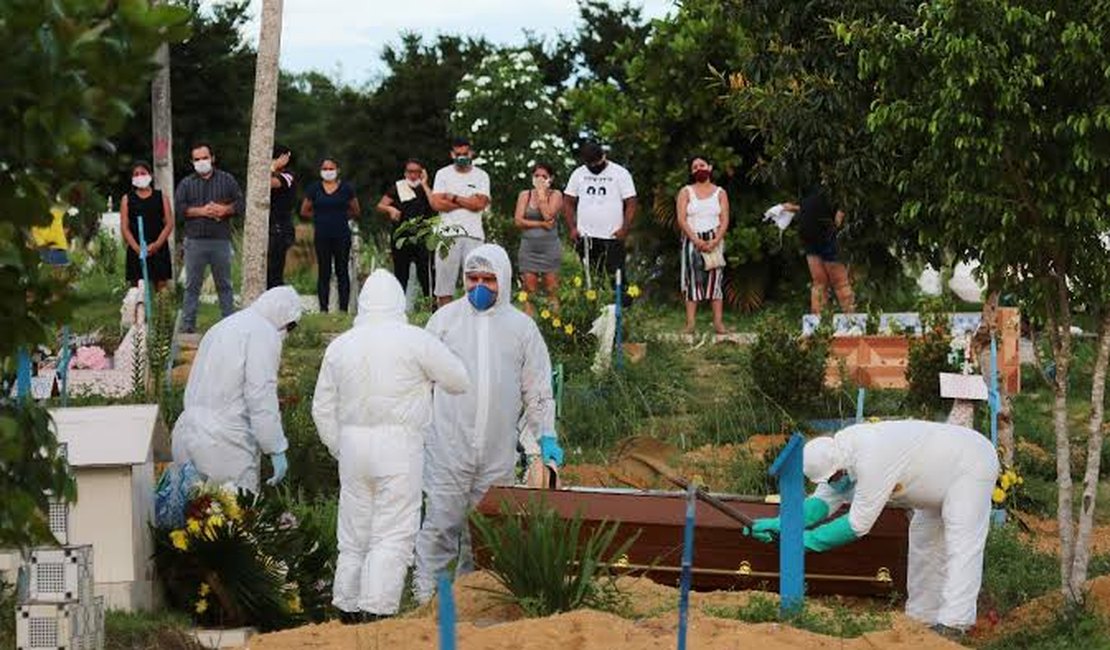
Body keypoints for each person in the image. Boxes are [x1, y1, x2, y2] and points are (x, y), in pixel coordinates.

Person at [312, 269, 470, 624]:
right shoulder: (414, 340)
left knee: (353, 531)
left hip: (353, 447)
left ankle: (347, 605)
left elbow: (321, 407)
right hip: (400, 446)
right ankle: (377, 609)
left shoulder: (340, 345)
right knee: (393, 531)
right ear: (399, 301)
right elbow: (459, 380)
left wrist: (340, 446)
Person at [745, 420, 999, 637]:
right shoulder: (836, 459)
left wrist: (806, 541)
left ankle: (956, 622)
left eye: (835, 477)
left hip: (969, 462)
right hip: (932, 482)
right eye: (829, 480)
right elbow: (821, 503)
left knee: (961, 541)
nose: (835, 483)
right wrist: (781, 524)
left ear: (841, 465)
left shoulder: (872, 456)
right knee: (923, 541)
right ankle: (923, 618)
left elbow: (858, 524)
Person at [413, 244, 563, 603]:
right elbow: (420, 382)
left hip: (497, 452)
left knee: (487, 532)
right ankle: (423, 600)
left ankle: (475, 599)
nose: (480, 286)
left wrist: (546, 436)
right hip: (447, 446)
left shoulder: (521, 329)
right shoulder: (444, 322)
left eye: (489, 279)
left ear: (505, 280)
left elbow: (537, 390)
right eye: (473, 278)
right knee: (439, 526)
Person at [171, 286, 304, 493]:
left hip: (187, 433)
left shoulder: (224, 325)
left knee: (193, 516)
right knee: (233, 517)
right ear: (283, 318)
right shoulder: (264, 333)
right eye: (290, 326)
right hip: (225, 444)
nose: (287, 333)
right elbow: (260, 395)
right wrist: (275, 446)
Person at [175, 142, 245, 333]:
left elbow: (240, 204)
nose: (201, 162)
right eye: (197, 159)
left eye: (204, 158)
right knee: (192, 285)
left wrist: (225, 209)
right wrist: (201, 211)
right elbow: (179, 209)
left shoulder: (227, 180)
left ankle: (229, 323)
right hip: (194, 241)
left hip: (220, 240)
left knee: (224, 284)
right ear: (192, 162)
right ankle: (188, 324)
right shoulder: (186, 183)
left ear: (212, 158)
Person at [563, 141, 637, 289]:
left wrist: (624, 229)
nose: (594, 168)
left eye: (597, 163)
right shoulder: (578, 174)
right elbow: (568, 201)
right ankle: (593, 309)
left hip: (612, 236)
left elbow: (631, 203)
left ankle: (621, 309)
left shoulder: (620, 173)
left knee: (617, 278)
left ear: (604, 156)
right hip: (586, 237)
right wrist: (572, 227)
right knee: (591, 279)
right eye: (591, 165)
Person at [429, 138, 491, 307]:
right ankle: (445, 324)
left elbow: (479, 204)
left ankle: (473, 322)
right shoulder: (442, 174)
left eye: (465, 154)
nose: (462, 157)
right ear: (452, 154)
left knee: (476, 283)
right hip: (447, 235)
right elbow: (436, 203)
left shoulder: (481, 175)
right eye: (458, 154)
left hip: (474, 235)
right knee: (444, 287)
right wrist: (467, 201)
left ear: (471, 153)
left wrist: (452, 197)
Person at [675, 155, 729, 335]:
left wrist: (716, 240)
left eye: (702, 165)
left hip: (715, 238)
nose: (699, 168)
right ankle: (690, 324)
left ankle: (718, 324)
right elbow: (681, 219)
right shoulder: (686, 191)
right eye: (695, 166)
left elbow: (725, 219)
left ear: (710, 167)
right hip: (692, 239)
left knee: (715, 281)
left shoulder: (720, 192)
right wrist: (696, 240)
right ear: (691, 172)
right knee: (692, 281)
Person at [300, 157, 360, 312]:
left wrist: (341, 216)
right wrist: (319, 216)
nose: (328, 172)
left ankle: (343, 309)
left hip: (341, 234)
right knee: (324, 271)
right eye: (325, 169)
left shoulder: (346, 188)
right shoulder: (314, 188)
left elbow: (356, 209)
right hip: (322, 234)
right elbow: (304, 210)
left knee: (342, 271)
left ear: (337, 170)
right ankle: (323, 309)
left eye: (331, 168)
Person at [784, 184, 854, 314]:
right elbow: (810, 207)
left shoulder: (835, 183)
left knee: (840, 283)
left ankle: (852, 323)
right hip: (811, 240)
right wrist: (793, 208)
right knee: (819, 284)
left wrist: (841, 214)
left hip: (829, 238)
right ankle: (817, 327)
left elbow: (845, 202)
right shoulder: (809, 182)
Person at [376, 159, 434, 301]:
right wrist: (390, 209)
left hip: (422, 236)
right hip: (401, 236)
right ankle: (398, 305)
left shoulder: (425, 189)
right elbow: (380, 205)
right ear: (405, 173)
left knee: (426, 273)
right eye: (410, 171)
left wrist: (425, 183)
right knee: (401, 274)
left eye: (417, 172)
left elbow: (434, 205)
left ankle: (430, 306)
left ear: (422, 173)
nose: (413, 175)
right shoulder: (398, 187)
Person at [514, 162, 563, 315]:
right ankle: (529, 327)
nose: (540, 179)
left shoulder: (556, 195)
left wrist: (542, 195)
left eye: (544, 176)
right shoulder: (525, 195)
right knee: (529, 291)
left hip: (550, 249)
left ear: (551, 178)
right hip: (528, 249)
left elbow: (549, 215)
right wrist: (541, 223)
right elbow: (518, 221)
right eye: (536, 176)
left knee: (552, 291)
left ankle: (554, 328)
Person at [120, 161, 174, 291]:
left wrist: (156, 245)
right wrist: (137, 248)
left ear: (150, 175)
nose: (140, 176)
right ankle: (137, 311)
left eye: (143, 173)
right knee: (137, 288)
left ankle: (163, 311)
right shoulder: (127, 199)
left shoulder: (161, 197)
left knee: (161, 286)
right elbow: (124, 227)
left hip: (158, 246)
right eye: (136, 174)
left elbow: (169, 223)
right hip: (136, 247)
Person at [267, 145, 296, 289]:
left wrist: (273, 167)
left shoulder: (288, 175)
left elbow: (268, 184)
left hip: (280, 228)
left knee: (275, 270)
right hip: (267, 225)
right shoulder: (268, 172)